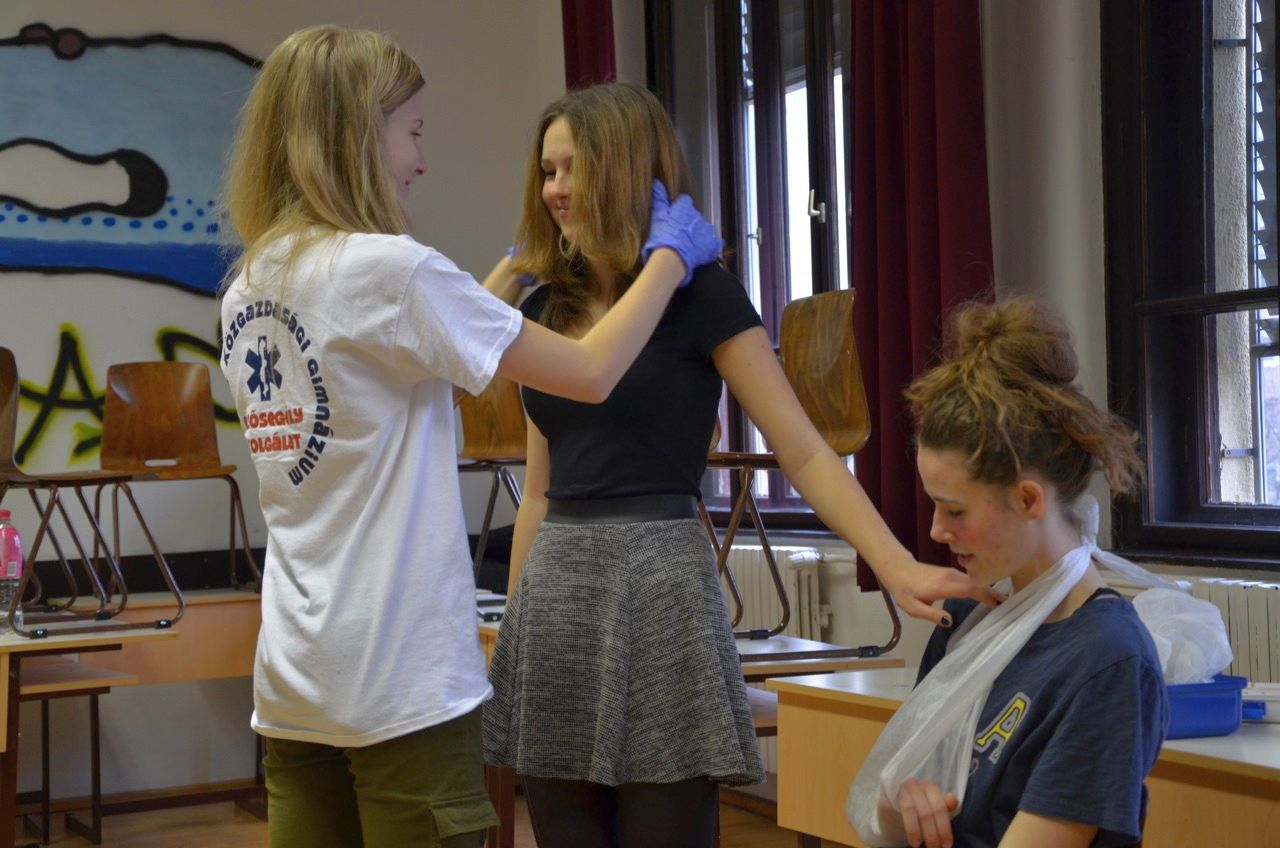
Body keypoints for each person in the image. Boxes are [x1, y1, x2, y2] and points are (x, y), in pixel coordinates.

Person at [217, 27, 722, 848]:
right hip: (400, 683)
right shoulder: (391, 270)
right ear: (358, 135)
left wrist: (506, 278)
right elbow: (591, 372)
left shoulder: (251, 285)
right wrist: (669, 261)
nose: (419, 160)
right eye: (411, 131)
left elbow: (408, 378)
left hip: (297, 681)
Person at [481, 82, 1001, 848]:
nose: (554, 189)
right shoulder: (541, 310)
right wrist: (516, 627)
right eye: (546, 170)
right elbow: (538, 493)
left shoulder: (702, 294)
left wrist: (895, 565)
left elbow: (803, 448)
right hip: (558, 600)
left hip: (663, 591)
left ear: (625, 169)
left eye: (572, 169)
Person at [864, 298, 1167, 848]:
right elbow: (895, 811)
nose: (936, 531)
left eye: (955, 510)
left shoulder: (1109, 661)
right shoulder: (967, 617)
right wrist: (899, 801)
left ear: (1028, 499)